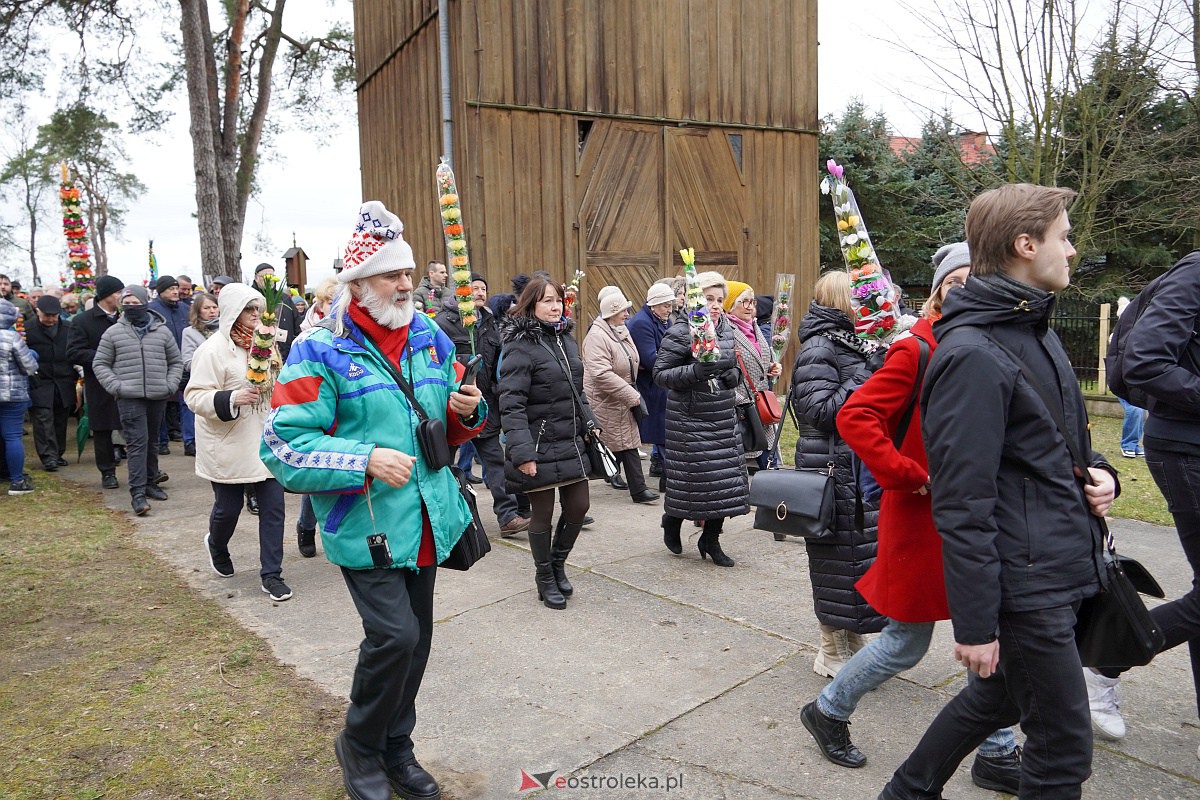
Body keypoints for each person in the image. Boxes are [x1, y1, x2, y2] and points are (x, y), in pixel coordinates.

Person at [879, 184, 1118, 799]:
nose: (1072, 249)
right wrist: (977, 623)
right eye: (1063, 237)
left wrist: (1100, 475)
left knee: (995, 703)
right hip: (1025, 581)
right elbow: (962, 502)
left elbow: (1063, 438)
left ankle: (905, 791)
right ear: (1025, 244)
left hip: (1058, 560)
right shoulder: (972, 354)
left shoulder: (1032, 328)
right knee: (1063, 750)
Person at [261, 201, 483, 800]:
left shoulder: (431, 337)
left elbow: (447, 418)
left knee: (418, 643)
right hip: (368, 523)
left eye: (408, 274)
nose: (407, 285)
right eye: (393, 275)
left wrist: (468, 411)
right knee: (395, 638)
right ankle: (359, 746)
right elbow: (283, 446)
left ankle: (397, 748)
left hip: (430, 520)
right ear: (359, 284)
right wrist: (362, 459)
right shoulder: (319, 349)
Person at [796, 244, 1020, 794]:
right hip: (921, 518)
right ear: (939, 288)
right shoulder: (916, 348)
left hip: (974, 514)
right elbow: (855, 416)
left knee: (987, 625)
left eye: (977, 278)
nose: (967, 287)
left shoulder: (988, 342)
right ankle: (828, 709)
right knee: (907, 642)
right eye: (957, 279)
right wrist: (907, 473)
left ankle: (996, 748)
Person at [1096, 249, 1200, 750]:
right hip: (1186, 448)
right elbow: (1145, 360)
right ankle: (1104, 660)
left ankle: (1104, 662)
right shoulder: (1196, 271)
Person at [791, 270, 885, 676]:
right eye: (861, 299)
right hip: (830, 470)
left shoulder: (853, 343)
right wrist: (870, 372)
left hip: (857, 468)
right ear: (843, 302)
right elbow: (820, 411)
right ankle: (830, 647)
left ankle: (853, 639)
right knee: (834, 563)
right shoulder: (818, 347)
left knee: (858, 561)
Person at [187, 282, 292, 602]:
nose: (255, 315)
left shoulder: (267, 343)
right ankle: (217, 543)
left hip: (265, 438)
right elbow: (194, 396)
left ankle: (271, 574)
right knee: (228, 509)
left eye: (258, 310)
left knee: (274, 508)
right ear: (233, 312)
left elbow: (281, 381)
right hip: (229, 441)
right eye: (248, 310)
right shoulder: (212, 350)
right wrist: (231, 397)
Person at [499, 275, 592, 608]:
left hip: (569, 440)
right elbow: (511, 403)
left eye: (558, 300)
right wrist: (523, 452)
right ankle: (543, 576)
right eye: (547, 301)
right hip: (536, 444)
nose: (555, 307)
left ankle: (557, 564)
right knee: (542, 514)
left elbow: (576, 391)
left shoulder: (565, 339)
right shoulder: (519, 346)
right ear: (531, 306)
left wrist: (588, 422)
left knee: (579, 506)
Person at [653, 271, 747, 567]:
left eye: (720, 299)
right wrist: (693, 373)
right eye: (709, 299)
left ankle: (711, 539)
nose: (716, 305)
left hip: (721, 417)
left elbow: (732, 364)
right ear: (696, 300)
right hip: (690, 420)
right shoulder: (681, 330)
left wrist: (735, 376)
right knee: (694, 482)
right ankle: (673, 519)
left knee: (724, 483)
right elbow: (661, 374)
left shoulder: (727, 328)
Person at [435, 272, 530, 537]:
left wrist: (500, 389)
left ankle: (508, 516)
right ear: (460, 293)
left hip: (483, 405)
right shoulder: (443, 324)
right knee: (444, 465)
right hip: (451, 407)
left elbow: (501, 359)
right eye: (474, 288)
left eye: (483, 289)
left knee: (495, 461)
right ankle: (442, 519)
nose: (479, 292)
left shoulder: (490, 321)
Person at [93, 285, 183, 516]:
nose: (131, 307)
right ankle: (137, 494)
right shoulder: (113, 333)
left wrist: (169, 385)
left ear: (145, 303)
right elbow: (100, 363)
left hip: (158, 395)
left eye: (135, 303)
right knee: (137, 444)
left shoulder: (162, 332)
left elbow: (175, 362)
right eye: (127, 303)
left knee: (152, 441)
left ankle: (151, 482)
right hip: (129, 397)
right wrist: (117, 386)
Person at [583, 286, 658, 504]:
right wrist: (630, 394)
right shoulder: (597, 336)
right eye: (623, 310)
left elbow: (630, 357)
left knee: (627, 443)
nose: (627, 314)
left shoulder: (619, 330)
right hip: (607, 398)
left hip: (621, 396)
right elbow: (600, 373)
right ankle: (619, 483)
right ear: (611, 312)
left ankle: (636, 489)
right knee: (616, 444)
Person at [67, 274, 126, 490]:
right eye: (117, 292)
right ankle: (107, 471)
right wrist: (103, 357)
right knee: (102, 429)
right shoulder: (83, 321)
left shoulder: (125, 317)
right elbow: (74, 352)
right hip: (99, 381)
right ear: (105, 296)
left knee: (136, 424)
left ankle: (148, 470)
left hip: (129, 380)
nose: (121, 296)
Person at [724, 281, 782, 472]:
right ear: (730, 304)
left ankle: (771, 500)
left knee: (769, 464)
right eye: (744, 302)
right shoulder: (725, 331)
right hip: (741, 410)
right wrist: (738, 400)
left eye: (752, 302)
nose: (750, 307)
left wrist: (772, 368)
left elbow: (759, 361)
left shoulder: (755, 327)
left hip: (760, 408)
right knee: (737, 464)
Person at [627, 282, 675, 481]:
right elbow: (651, 360)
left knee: (664, 432)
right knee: (658, 431)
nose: (669, 309)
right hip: (650, 387)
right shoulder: (641, 323)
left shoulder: (665, 320)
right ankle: (668, 476)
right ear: (653, 305)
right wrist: (674, 358)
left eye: (670, 305)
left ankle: (668, 475)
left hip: (662, 383)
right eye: (665, 305)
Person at [26, 295, 76, 472]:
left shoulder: (69, 328)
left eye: (54, 315)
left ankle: (58, 453)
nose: (51, 319)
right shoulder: (27, 329)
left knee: (60, 419)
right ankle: (48, 456)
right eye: (47, 315)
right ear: (38, 312)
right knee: (43, 419)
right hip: (40, 382)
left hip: (64, 381)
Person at [0, 298, 38, 495]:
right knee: (13, 437)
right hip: (13, 395)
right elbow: (30, 367)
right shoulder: (12, 337)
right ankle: (16, 481)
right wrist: (34, 355)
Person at [149, 275, 190, 453]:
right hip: (162, 362)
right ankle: (161, 441)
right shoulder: (152, 310)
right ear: (161, 291)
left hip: (184, 360)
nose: (175, 291)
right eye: (170, 289)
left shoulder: (185, 308)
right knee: (162, 404)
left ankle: (189, 440)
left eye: (176, 288)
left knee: (185, 402)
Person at [180, 292, 221, 457]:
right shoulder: (189, 332)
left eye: (214, 307)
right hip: (202, 381)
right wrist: (211, 363)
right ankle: (192, 441)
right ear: (198, 311)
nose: (211, 311)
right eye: (206, 308)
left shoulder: (227, 330)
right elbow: (187, 361)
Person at [1115, 295, 1147, 459]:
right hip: (1121, 381)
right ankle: (1128, 444)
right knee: (1135, 409)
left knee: (1140, 410)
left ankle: (1134, 444)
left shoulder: (1138, 336)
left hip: (1134, 381)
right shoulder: (1117, 338)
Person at [251, 264, 302, 361]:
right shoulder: (251, 299)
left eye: (272, 276)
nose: (270, 279)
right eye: (265, 276)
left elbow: (297, 325)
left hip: (286, 353)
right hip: (258, 354)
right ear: (256, 278)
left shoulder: (284, 299)